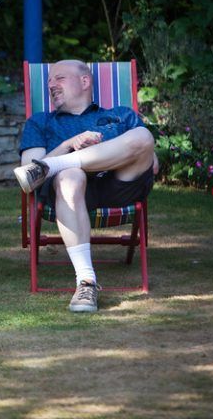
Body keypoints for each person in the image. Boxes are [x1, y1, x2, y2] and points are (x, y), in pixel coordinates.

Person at [14, 59, 156, 313]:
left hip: (119, 184)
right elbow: (30, 172)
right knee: (70, 175)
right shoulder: (40, 121)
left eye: (59, 78)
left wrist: (104, 154)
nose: (51, 85)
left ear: (85, 81)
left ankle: (61, 164)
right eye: (49, 81)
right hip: (69, 191)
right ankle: (86, 281)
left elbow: (152, 163)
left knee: (144, 136)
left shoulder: (122, 114)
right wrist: (69, 144)